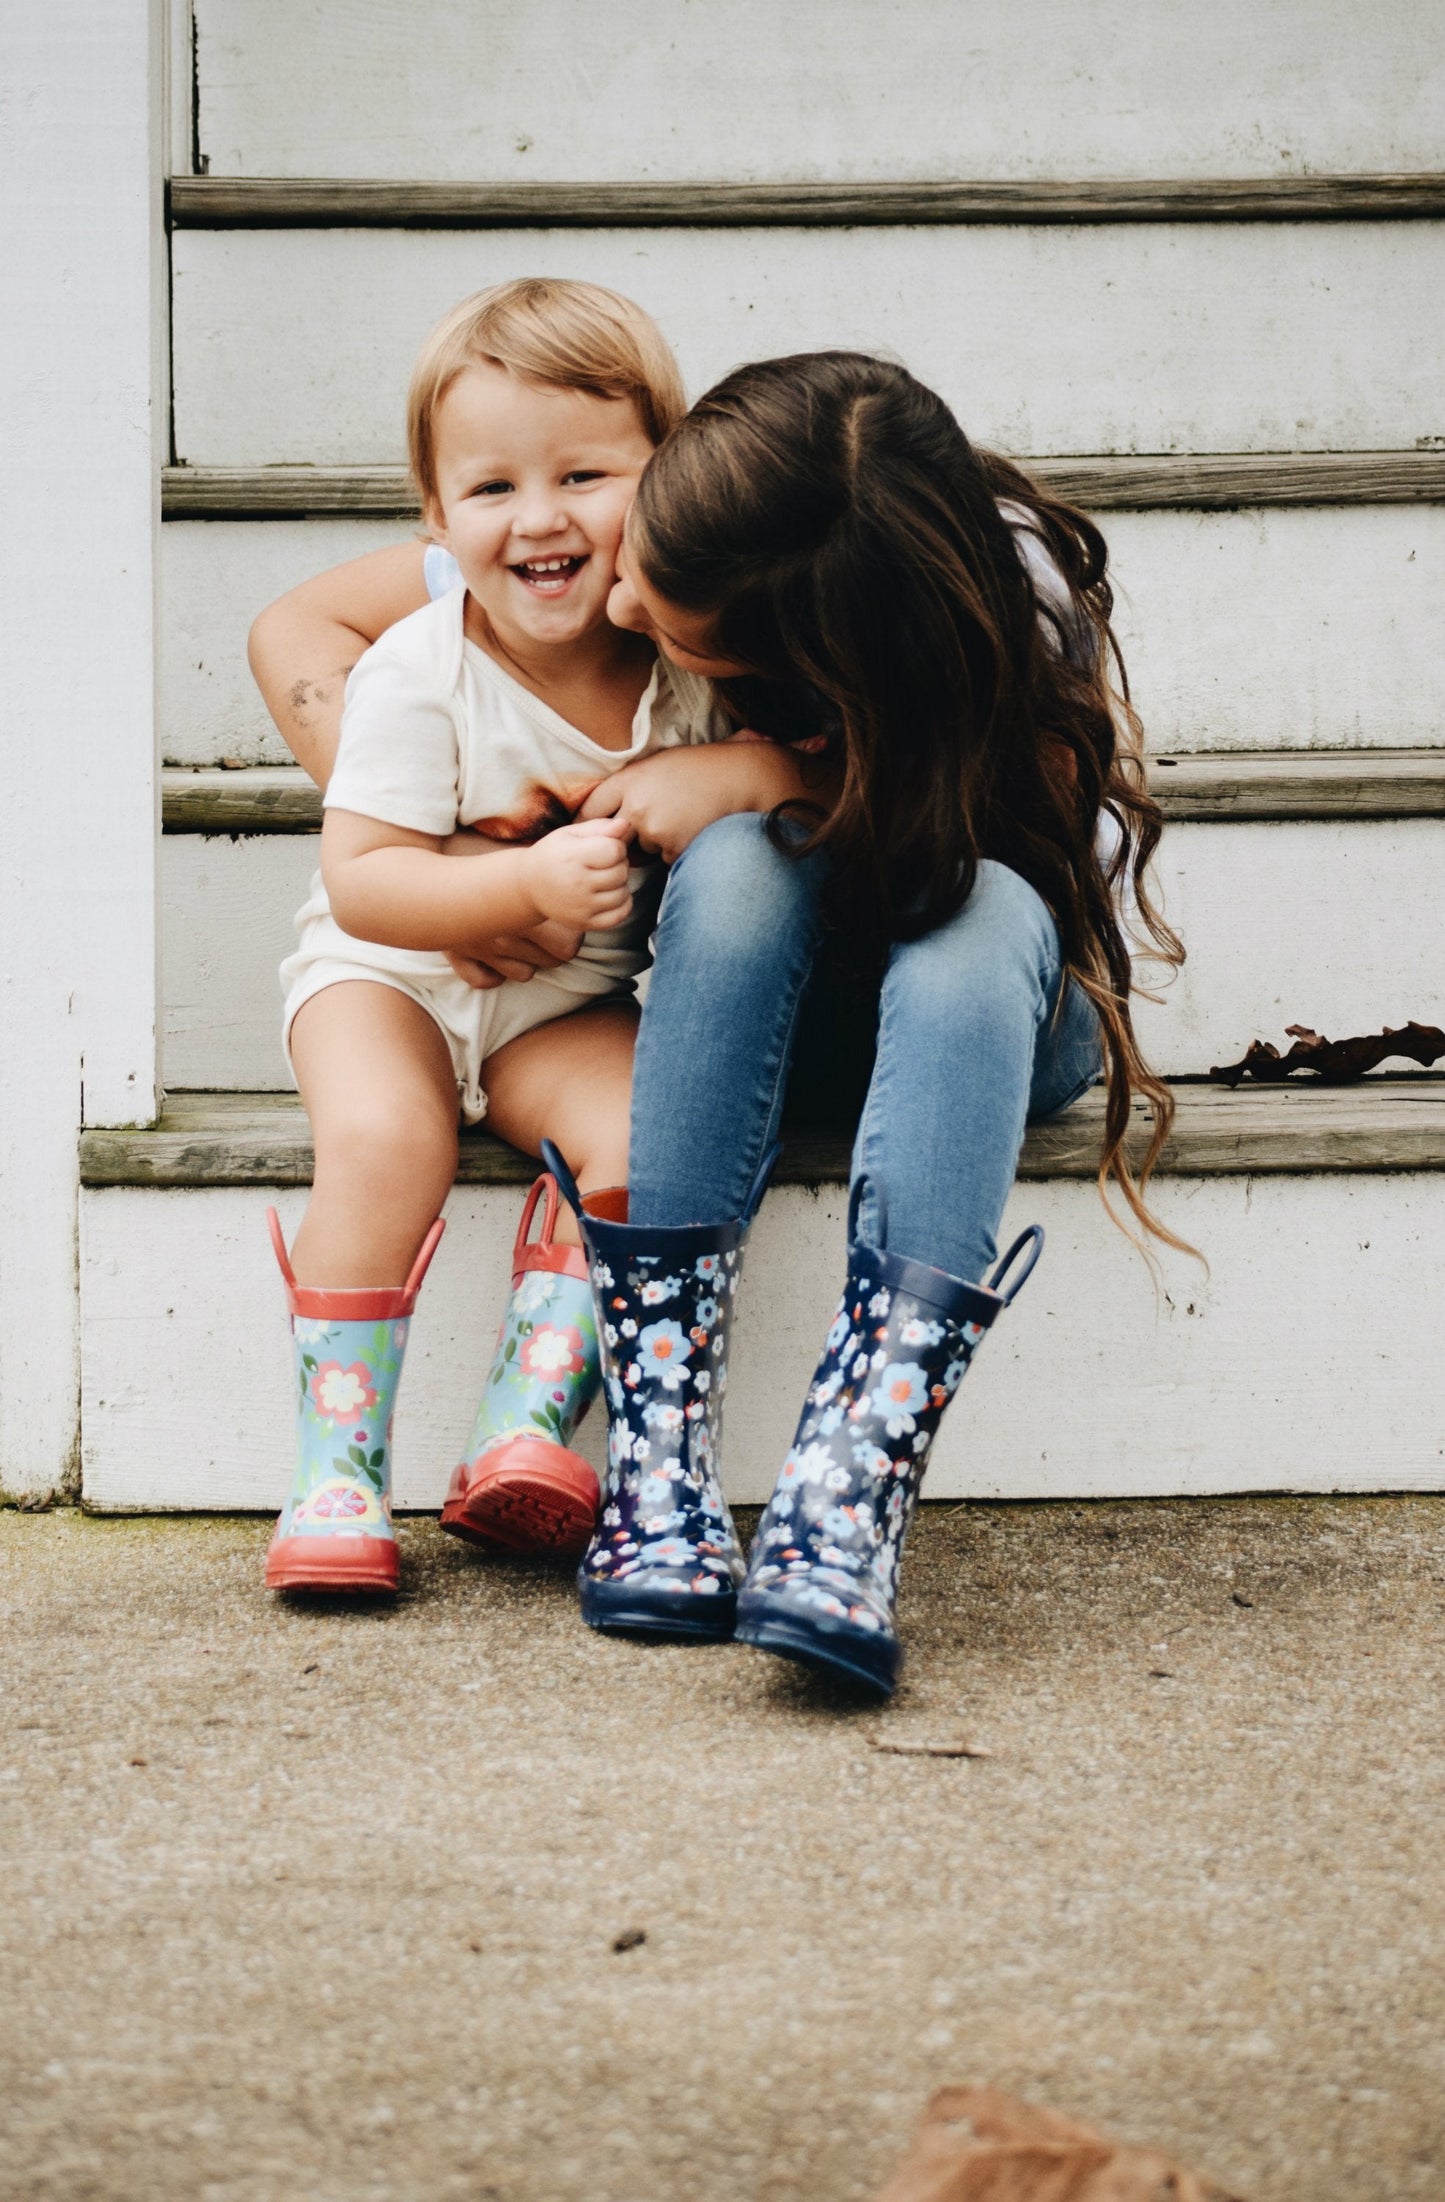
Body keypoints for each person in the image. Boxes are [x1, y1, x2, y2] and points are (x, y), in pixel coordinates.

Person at [542, 350, 1187, 1694]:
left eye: (659, 617)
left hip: (997, 1006)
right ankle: (662, 1451)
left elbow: (980, 872)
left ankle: (847, 1491)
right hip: (783, 1008)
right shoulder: (716, 514)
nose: (610, 596)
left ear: (806, 659)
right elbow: (333, 617)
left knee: (981, 914)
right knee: (735, 864)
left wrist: (757, 765)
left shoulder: (993, 624)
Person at [250, 282, 818, 1597]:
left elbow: (810, 777)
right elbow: (368, 881)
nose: (542, 515)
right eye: (493, 486)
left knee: (640, 1135)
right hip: (382, 980)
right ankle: (333, 1473)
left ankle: (521, 1422)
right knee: (392, 1139)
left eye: (583, 473)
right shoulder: (417, 664)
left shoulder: (692, 668)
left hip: (559, 1007)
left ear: (665, 484)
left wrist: (743, 769)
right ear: (436, 520)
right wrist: (505, 891)